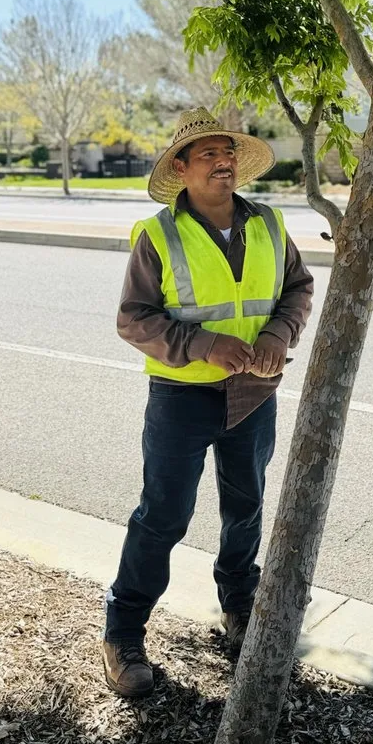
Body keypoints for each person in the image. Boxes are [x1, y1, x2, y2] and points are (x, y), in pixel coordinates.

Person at [102, 107, 313, 698]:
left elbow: (297, 289)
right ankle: (123, 633)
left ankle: (240, 608)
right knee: (163, 515)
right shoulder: (158, 235)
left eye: (228, 153)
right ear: (181, 168)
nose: (223, 163)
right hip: (180, 398)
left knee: (245, 507)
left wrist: (278, 335)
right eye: (208, 154)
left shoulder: (268, 223)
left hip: (254, 394)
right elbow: (134, 319)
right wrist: (204, 344)